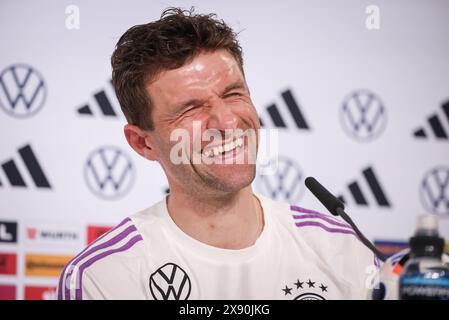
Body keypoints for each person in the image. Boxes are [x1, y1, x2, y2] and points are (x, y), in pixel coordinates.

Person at [57, 7, 379, 300]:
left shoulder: (347, 254)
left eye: (233, 93)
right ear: (143, 143)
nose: (226, 122)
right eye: (191, 108)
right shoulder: (103, 279)